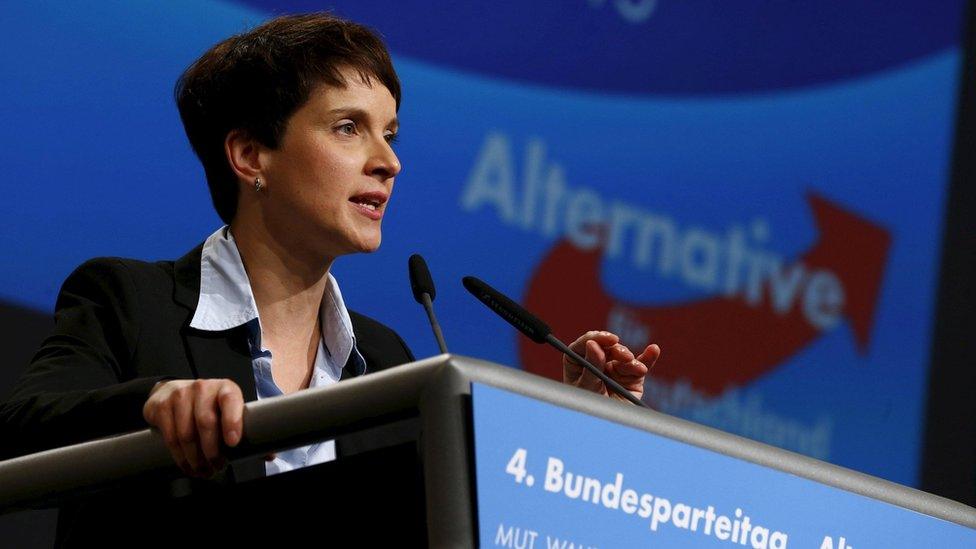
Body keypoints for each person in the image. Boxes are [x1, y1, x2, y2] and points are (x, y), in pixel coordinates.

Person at [1, 12, 658, 491]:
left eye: (391, 134)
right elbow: (19, 424)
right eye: (350, 128)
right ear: (251, 154)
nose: (389, 162)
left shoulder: (387, 362)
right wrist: (153, 402)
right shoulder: (129, 302)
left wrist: (579, 421)